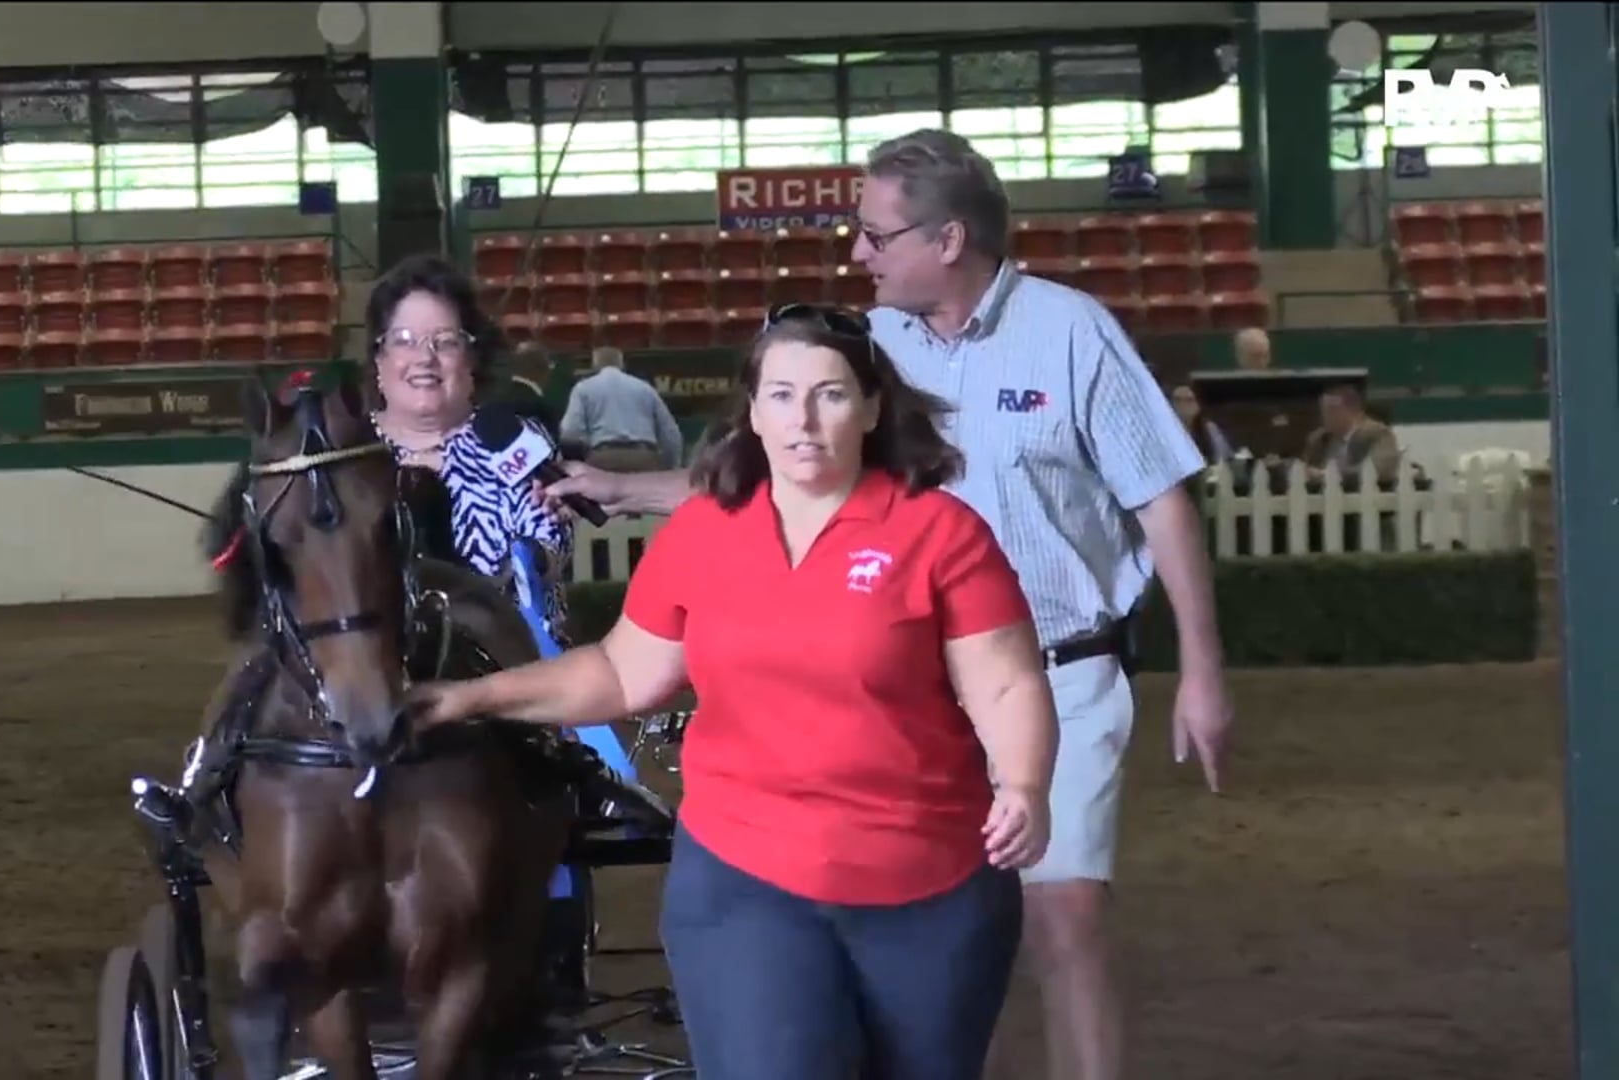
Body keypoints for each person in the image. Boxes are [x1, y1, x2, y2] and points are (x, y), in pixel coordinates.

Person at [538, 129, 1234, 1080]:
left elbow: (1159, 495)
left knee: (1062, 915)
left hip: (1059, 669)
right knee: (927, 930)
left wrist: (1202, 669)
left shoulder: (1071, 331)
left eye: (873, 233)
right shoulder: (872, 351)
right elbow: (776, 478)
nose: (857, 252)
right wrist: (626, 493)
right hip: (901, 687)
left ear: (946, 240)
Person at [408, 303, 1059, 1080]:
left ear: (874, 406)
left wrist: (1023, 783)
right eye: (781, 395)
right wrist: (464, 700)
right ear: (752, 411)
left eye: (832, 394)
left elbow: (1008, 682)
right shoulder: (705, 531)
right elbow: (623, 672)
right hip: (745, 880)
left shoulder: (939, 533)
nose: (804, 420)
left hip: (931, 887)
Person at [363, 254, 570, 582]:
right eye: (403, 341)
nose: (424, 358)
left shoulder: (517, 441)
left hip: (507, 629)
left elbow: (551, 549)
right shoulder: (350, 452)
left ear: (472, 357)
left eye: (445, 342)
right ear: (379, 358)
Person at [558, 345, 685, 472]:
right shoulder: (645, 388)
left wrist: (576, 463)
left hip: (602, 458)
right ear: (622, 364)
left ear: (594, 365)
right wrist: (670, 465)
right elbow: (671, 433)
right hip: (644, 457)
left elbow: (571, 431)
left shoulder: (583, 388)